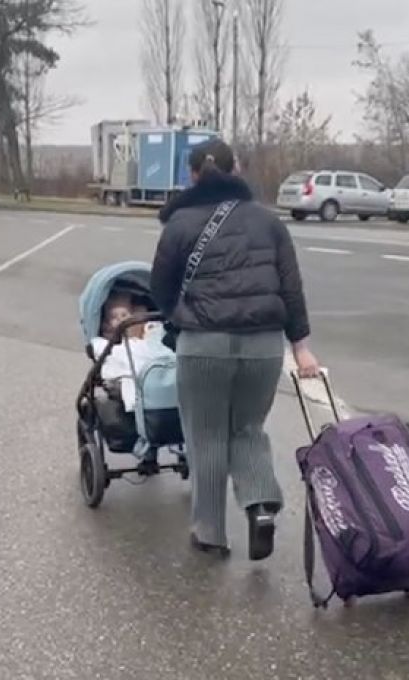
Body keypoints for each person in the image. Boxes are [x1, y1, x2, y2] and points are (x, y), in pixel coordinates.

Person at [150, 138, 319, 561]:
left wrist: (182, 317)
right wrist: (301, 348)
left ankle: (210, 533)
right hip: (263, 347)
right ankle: (260, 507)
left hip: (203, 343)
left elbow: (160, 288)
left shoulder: (180, 223)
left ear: (192, 175)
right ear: (237, 169)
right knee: (247, 428)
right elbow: (291, 287)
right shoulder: (268, 221)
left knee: (205, 435)